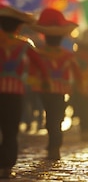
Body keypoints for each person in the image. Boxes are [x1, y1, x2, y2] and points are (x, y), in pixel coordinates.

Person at [0, 4, 49, 178]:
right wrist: (45, 81)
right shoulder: (24, 45)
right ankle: (6, 166)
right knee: (11, 130)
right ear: (19, 26)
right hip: (15, 94)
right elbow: (41, 65)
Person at [29, 8, 82, 160]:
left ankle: (53, 144)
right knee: (57, 117)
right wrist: (81, 85)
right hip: (61, 90)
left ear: (44, 37)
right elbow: (77, 72)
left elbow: (32, 71)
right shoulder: (68, 55)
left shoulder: (38, 53)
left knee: (50, 116)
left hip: (43, 89)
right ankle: (55, 146)